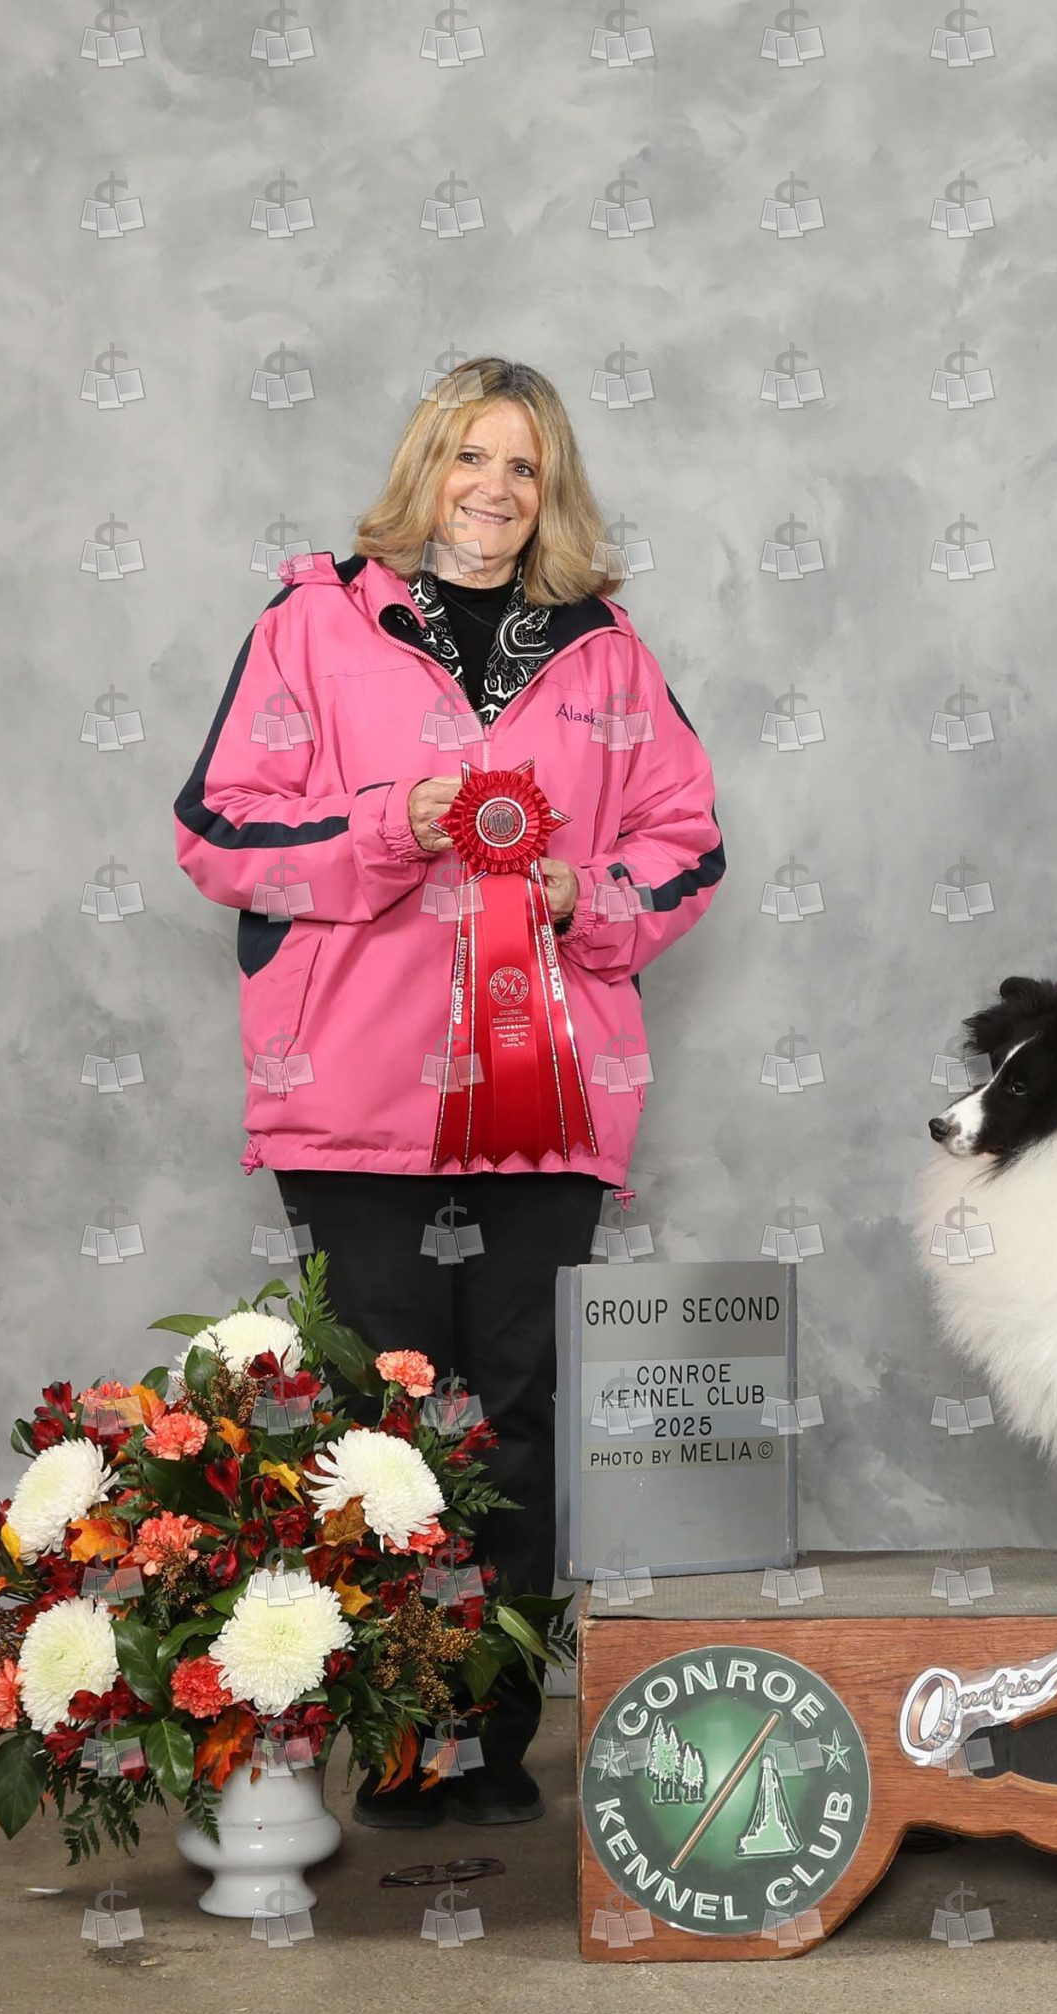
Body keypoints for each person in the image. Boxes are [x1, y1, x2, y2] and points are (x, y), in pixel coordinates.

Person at [171, 357, 725, 1826]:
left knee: (519, 1417)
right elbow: (219, 833)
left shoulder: (606, 652)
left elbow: (687, 842)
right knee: (380, 1426)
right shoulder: (310, 624)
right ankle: (401, 1738)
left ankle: (494, 1737)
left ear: (553, 493)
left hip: (545, 1106)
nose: (495, 488)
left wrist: (582, 892)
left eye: (524, 466)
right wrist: (383, 827)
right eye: (471, 457)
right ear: (424, 469)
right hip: (357, 1101)